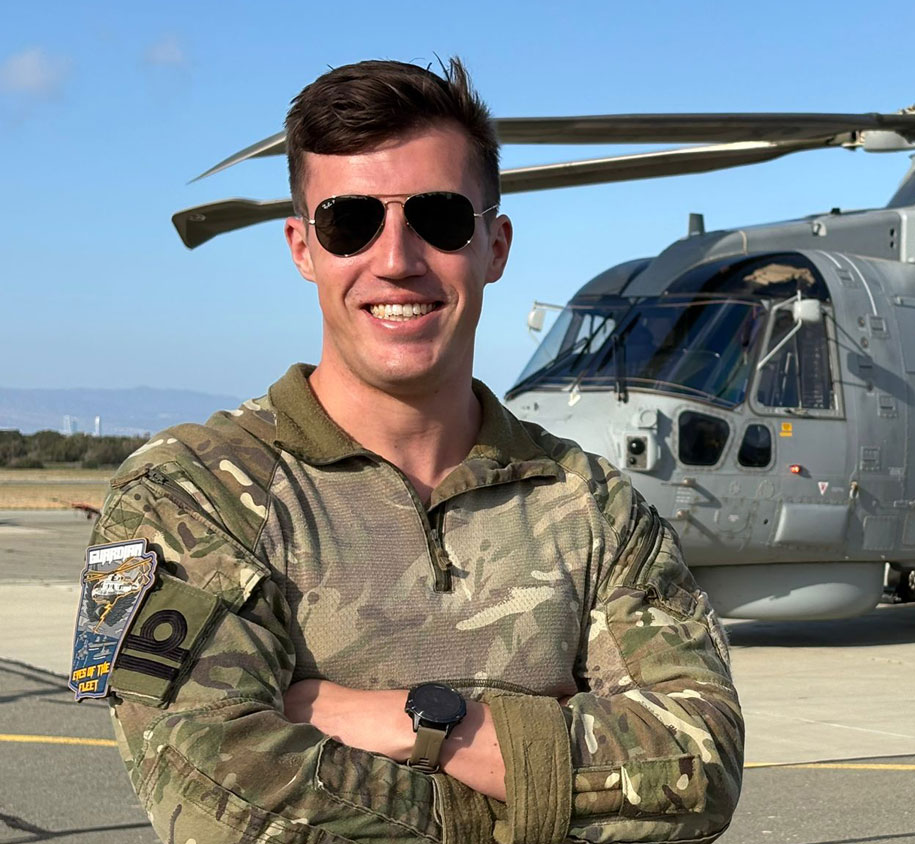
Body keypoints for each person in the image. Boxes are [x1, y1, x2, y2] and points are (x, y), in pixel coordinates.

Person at [79, 57, 743, 844]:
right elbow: (213, 788)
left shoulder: (592, 502)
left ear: (493, 246)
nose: (396, 257)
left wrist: (416, 725)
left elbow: (702, 769)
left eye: (439, 218)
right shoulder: (185, 491)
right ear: (302, 248)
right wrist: (538, 774)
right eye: (349, 222)